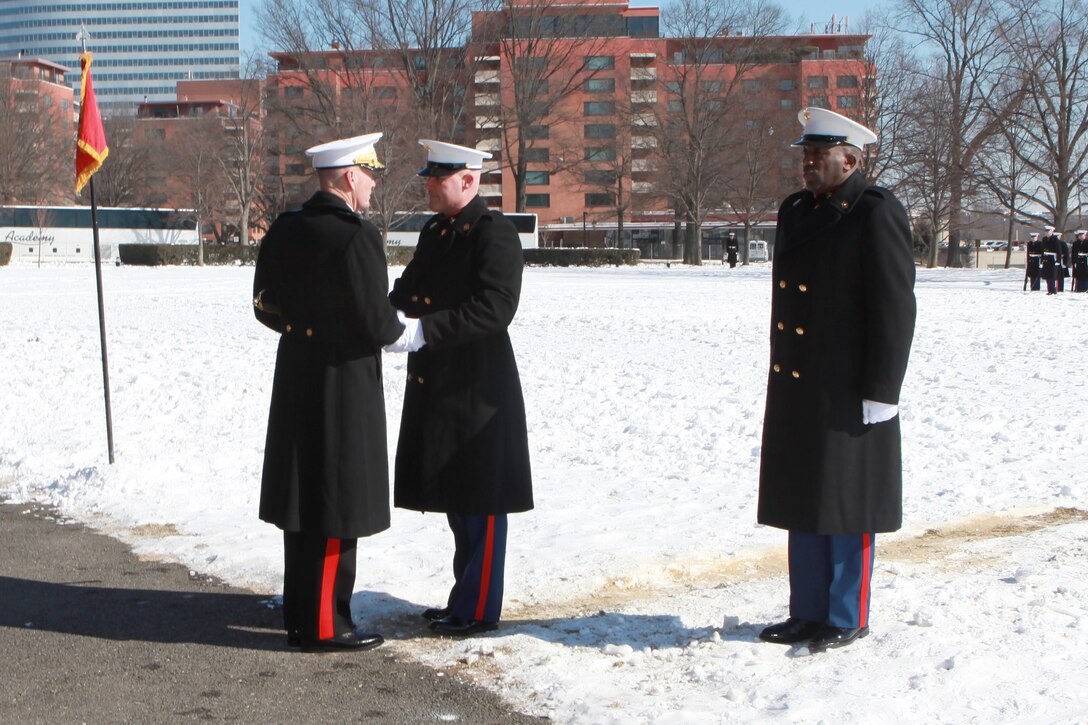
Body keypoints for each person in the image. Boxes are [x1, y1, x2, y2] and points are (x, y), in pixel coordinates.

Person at [756, 108, 916, 653]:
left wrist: (882, 390)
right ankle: (807, 611)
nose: (806, 165)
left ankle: (846, 613)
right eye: (804, 155)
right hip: (801, 379)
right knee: (804, 496)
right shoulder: (796, 210)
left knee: (846, 502)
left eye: (817, 156)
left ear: (850, 159)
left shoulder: (874, 212)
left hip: (849, 385)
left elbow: (894, 308)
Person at [253, 132, 409, 653]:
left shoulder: (285, 228)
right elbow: (377, 322)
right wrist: (409, 333)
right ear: (348, 176)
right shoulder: (356, 236)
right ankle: (325, 625)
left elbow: (263, 305)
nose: (372, 184)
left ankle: (301, 615)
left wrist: (307, 330)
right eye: (369, 174)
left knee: (303, 501)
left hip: (297, 371)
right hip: (343, 379)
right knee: (335, 502)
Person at [388, 139, 533, 637]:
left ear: (469, 181)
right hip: (443, 384)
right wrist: (383, 314)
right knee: (458, 500)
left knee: (482, 504)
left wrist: (426, 329)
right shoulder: (437, 229)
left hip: (477, 385)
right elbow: (407, 290)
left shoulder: (494, 234)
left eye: (438, 177)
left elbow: (495, 308)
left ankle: (478, 608)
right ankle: (462, 598)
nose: (428, 185)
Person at [1041, 226, 1062, 295]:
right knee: (1047, 275)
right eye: (1046, 231)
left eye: (1048, 231)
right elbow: (1042, 251)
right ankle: (1049, 290)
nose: (1047, 233)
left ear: (1052, 231)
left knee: (1052, 275)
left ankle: (1053, 290)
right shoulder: (1044, 239)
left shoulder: (1055, 239)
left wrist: (1058, 261)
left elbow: (1059, 251)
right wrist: (1042, 260)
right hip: (1046, 259)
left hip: (1052, 259)